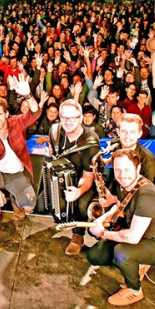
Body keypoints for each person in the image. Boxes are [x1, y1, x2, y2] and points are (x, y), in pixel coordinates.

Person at [87, 149, 155, 307]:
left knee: (121, 254)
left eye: (127, 169)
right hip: (140, 239)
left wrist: (103, 233)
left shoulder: (147, 195)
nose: (122, 175)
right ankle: (138, 262)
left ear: (138, 169)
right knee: (95, 255)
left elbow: (132, 237)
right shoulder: (124, 185)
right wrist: (102, 219)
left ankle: (134, 289)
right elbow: (120, 207)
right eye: (117, 170)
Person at [0, 74, 41, 223]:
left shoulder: (16, 122)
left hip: (15, 173)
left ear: (6, 114)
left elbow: (35, 113)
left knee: (28, 207)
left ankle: (14, 198)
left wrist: (27, 95)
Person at [48, 99, 101, 256]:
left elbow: (88, 177)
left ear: (80, 118)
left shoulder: (90, 141)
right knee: (41, 204)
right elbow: (53, 150)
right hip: (64, 174)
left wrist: (78, 191)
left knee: (81, 205)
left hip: (87, 178)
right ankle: (62, 217)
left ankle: (78, 236)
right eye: (64, 117)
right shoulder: (55, 130)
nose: (68, 122)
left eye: (72, 118)